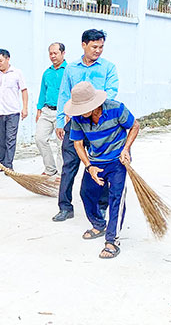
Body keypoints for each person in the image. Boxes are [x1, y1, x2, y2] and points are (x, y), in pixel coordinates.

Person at [64, 81, 139, 259]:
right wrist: (89, 167)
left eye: (83, 107)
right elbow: (78, 143)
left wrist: (126, 149)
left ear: (94, 103)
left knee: (116, 198)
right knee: (86, 193)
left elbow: (134, 126)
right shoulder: (78, 119)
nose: (80, 112)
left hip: (117, 160)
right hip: (96, 160)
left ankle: (112, 240)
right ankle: (98, 224)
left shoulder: (116, 108)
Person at [52, 29, 119, 222]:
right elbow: (64, 94)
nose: (98, 51)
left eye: (101, 47)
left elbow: (111, 92)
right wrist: (59, 120)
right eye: (94, 47)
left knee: (102, 164)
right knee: (69, 164)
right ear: (84, 45)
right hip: (75, 122)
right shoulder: (71, 69)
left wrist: (94, 110)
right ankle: (65, 206)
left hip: (100, 123)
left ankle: (101, 205)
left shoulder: (108, 67)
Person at [35, 42, 67, 176]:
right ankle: (50, 169)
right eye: (50, 53)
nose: (52, 56)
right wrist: (38, 109)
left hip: (63, 113)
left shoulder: (69, 71)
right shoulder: (47, 73)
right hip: (47, 111)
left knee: (61, 144)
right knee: (40, 138)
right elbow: (43, 91)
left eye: (55, 53)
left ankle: (61, 173)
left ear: (63, 53)